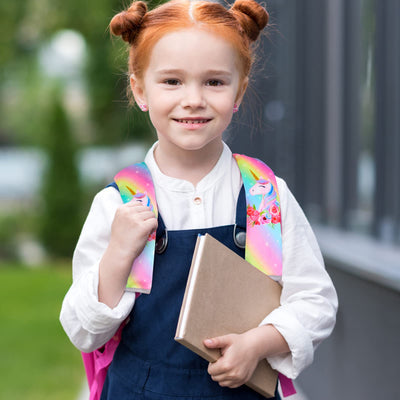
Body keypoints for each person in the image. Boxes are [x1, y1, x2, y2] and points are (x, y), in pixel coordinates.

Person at [60, 0, 338, 399]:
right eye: (172, 81)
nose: (194, 99)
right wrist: (117, 257)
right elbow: (83, 331)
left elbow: (316, 301)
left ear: (239, 89)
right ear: (140, 89)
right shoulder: (119, 204)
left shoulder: (264, 196)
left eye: (214, 82)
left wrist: (259, 343)